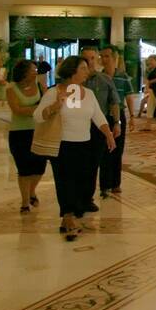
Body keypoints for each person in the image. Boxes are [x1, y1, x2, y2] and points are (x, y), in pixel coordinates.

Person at [37, 56, 116, 241]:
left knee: (83, 180)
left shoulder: (88, 93)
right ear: (72, 71)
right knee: (65, 181)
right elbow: (38, 116)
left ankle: (72, 215)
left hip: (85, 143)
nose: (87, 72)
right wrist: (55, 106)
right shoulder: (54, 92)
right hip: (62, 144)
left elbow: (98, 115)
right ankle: (68, 216)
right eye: (83, 68)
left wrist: (109, 134)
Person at [80, 46, 120, 214]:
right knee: (80, 164)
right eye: (86, 59)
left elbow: (114, 102)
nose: (89, 62)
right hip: (79, 127)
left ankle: (89, 197)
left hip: (98, 127)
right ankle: (79, 197)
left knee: (96, 162)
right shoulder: (74, 83)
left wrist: (117, 123)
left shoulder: (104, 80)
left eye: (92, 58)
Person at [5, 60, 49, 213]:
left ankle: (31, 191)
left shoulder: (39, 85)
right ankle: (25, 202)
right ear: (24, 72)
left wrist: (32, 109)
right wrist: (38, 108)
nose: (36, 71)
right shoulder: (11, 88)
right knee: (24, 168)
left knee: (40, 167)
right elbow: (17, 110)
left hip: (38, 131)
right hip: (19, 133)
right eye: (33, 69)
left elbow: (47, 102)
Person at [101, 47, 131, 196]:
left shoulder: (122, 76)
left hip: (119, 116)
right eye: (102, 56)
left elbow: (129, 96)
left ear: (114, 58)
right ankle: (104, 185)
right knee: (105, 151)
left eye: (106, 56)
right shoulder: (99, 77)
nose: (103, 59)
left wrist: (132, 116)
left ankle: (115, 183)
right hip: (104, 117)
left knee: (118, 150)